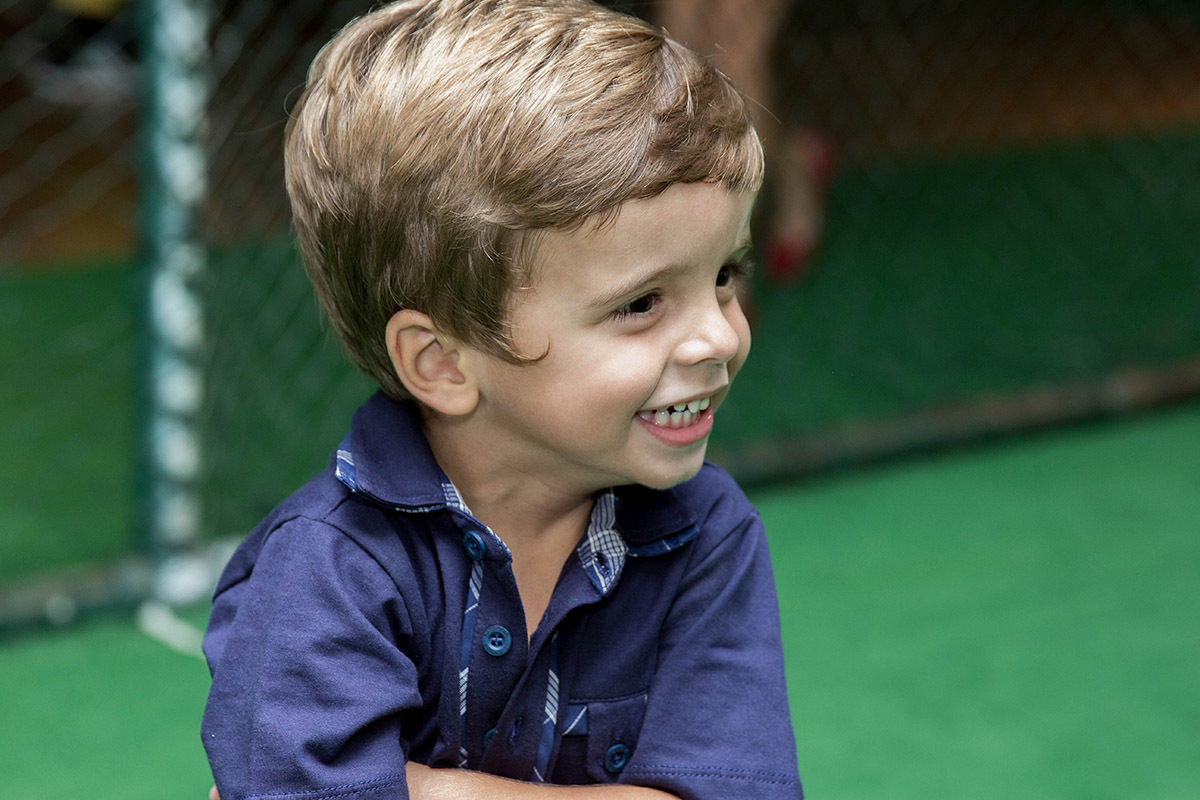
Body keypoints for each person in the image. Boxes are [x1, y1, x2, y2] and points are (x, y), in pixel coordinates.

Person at [201, 2, 802, 799]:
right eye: (640, 304)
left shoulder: (704, 532)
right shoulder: (328, 566)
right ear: (444, 362)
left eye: (723, 276)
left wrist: (430, 789)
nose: (719, 338)